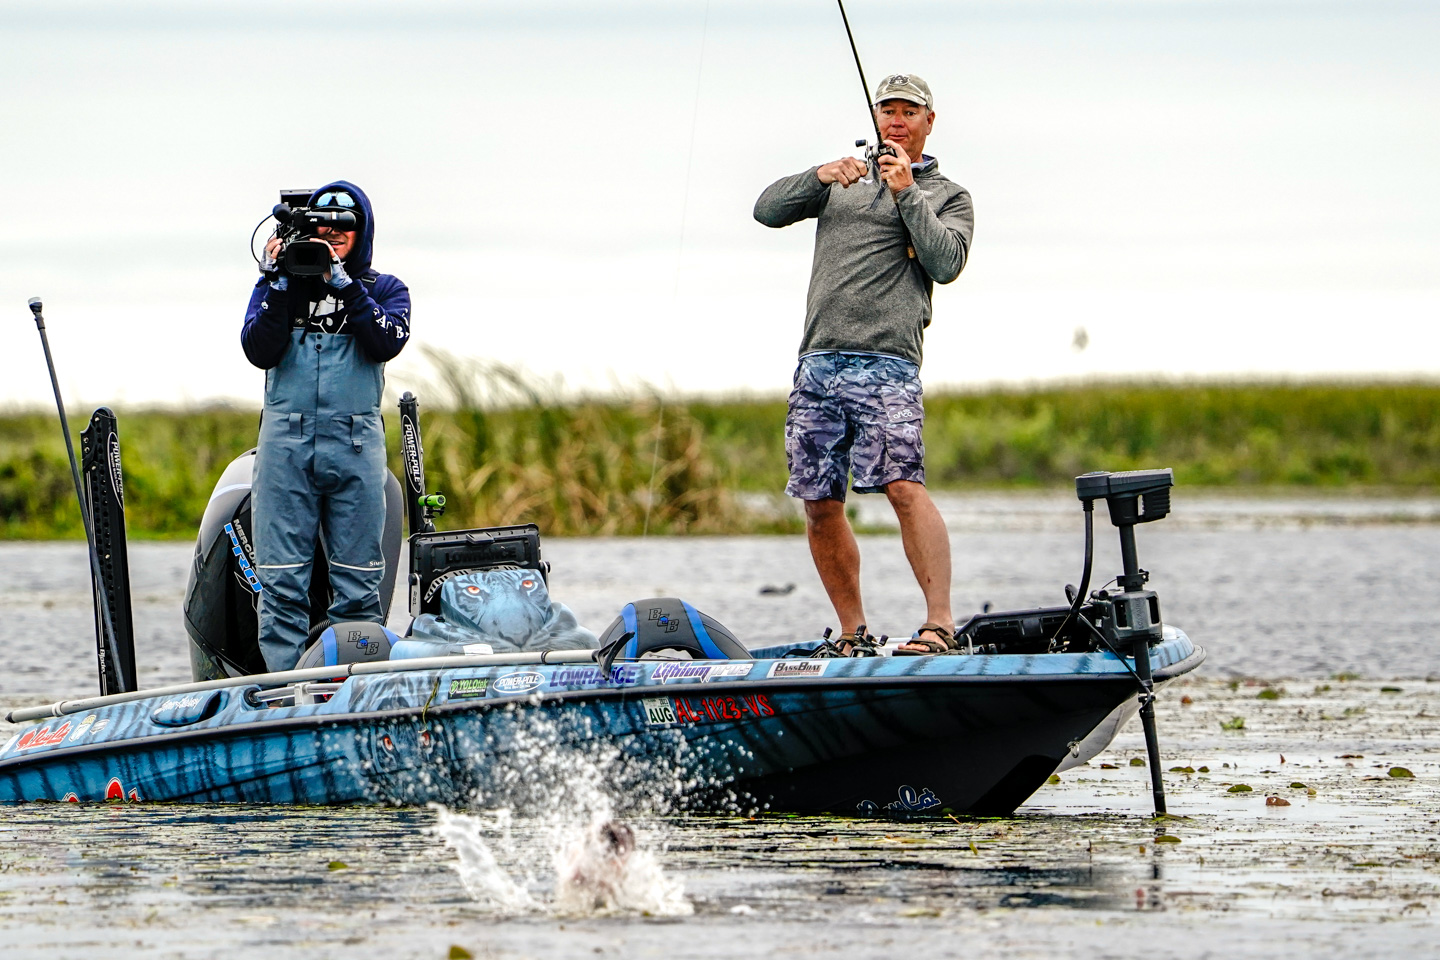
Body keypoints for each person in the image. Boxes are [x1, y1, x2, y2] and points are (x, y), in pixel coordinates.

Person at [753, 74, 973, 656]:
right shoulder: (842, 181)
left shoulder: (948, 196)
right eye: (888, 111)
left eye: (909, 112)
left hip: (888, 365)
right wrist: (819, 176)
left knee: (903, 486)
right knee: (819, 501)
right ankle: (853, 634)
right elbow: (766, 210)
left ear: (928, 122)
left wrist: (907, 192)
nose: (897, 121)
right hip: (817, 364)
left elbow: (947, 263)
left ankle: (939, 625)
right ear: (875, 118)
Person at [241, 181, 411, 671]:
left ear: (364, 232)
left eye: (345, 226)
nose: (333, 233)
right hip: (284, 447)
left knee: (359, 580)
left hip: (355, 444)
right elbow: (258, 349)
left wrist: (345, 284)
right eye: (323, 225)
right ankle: (286, 689)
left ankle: (350, 682)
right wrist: (275, 281)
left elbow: (386, 342)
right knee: (281, 579)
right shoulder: (280, 286)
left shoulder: (385, 289)